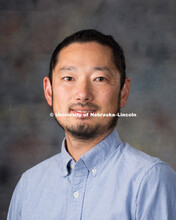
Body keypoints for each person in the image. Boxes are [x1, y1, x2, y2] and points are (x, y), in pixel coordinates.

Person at [7, 30, 176, 220]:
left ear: (123, 92)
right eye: (69, 78)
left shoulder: (151, 180)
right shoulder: (29, 185)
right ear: (49, 91)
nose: (82, 94)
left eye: (99, 79)